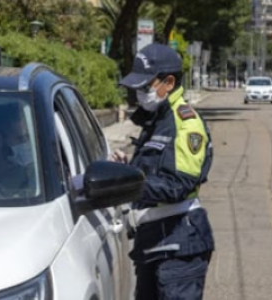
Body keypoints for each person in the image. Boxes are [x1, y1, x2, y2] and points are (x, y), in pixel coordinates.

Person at [110, 43, 214, 300]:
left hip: (179, 245)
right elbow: (153, 169)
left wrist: (128, 182)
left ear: (168, 82)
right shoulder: (157, 119)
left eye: (145, 87)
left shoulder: (185, 124)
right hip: (155, 241)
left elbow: (179, 185)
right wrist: (129, 169)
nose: (139, 94)